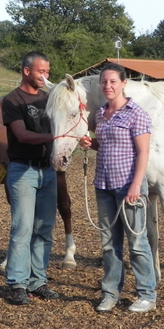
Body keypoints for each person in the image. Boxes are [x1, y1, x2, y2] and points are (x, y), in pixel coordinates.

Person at [79, 63, 156, 313]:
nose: (108, 86)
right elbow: (106, 147)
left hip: (129, 186)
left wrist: (136, 184)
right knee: (109, 244)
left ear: (124, 83)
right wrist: (90, 144)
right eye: (104, 82)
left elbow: (143, 152)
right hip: (104, 185)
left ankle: (146, 294)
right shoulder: (101, 113)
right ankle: (110, 292)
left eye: (113, 81)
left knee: (137, 242)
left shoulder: (136, 113)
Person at [2, 51, 59, 305]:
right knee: (22, 229)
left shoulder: (50, 98)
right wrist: (57, 137)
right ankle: (17, 283)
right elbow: (22, 135)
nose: (45, 77)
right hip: (22, 171)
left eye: (47, 72)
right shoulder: (13, 101)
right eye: (41, 72)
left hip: (48, 170)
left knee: (44, 229)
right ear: (27, 71)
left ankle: (38, 281)